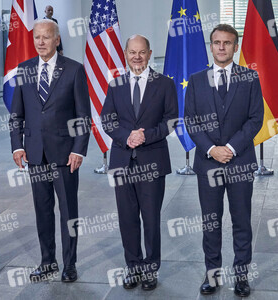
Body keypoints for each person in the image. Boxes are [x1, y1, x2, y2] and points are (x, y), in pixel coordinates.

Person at [184, 24, 264, 297]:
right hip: (208, 164)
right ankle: (212, 275)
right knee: (211, 221)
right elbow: (191, 122)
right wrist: (211, 150)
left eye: (227, 43)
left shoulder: (250, 78)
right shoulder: (196, 80)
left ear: (235, 46)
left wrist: (229, 147)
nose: (221, 47)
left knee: (242, 221)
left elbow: (256, 119)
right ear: (211, 45)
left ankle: (241, 276)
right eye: (217, 42)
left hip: (240, 162)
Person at [9, 19, 90, 283]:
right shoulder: (24, 69)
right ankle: (47, 262)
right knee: (42, 211)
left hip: (65, 155)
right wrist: (17, 145)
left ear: (57, 40)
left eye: (46, 37)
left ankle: (69, 264)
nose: (40, 42)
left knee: (68, 212)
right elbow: (16, 115)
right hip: (35, 154)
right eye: (37, 38)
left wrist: (79, 150)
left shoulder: (74, 70)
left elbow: (82, 116)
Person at [101, 34, 178, 291]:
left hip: (152, 161)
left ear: (149, 52)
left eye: (141, 52)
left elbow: (170, 120)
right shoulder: (116, 84)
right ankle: (132, 267)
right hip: (123, 161)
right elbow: (108, 120)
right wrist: (127, 137)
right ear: (125, 54)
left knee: (151, 218)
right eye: (132, 52)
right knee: (127, 218)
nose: (137, 56)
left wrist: (145, 136)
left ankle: (149, 269)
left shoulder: (165, 84)